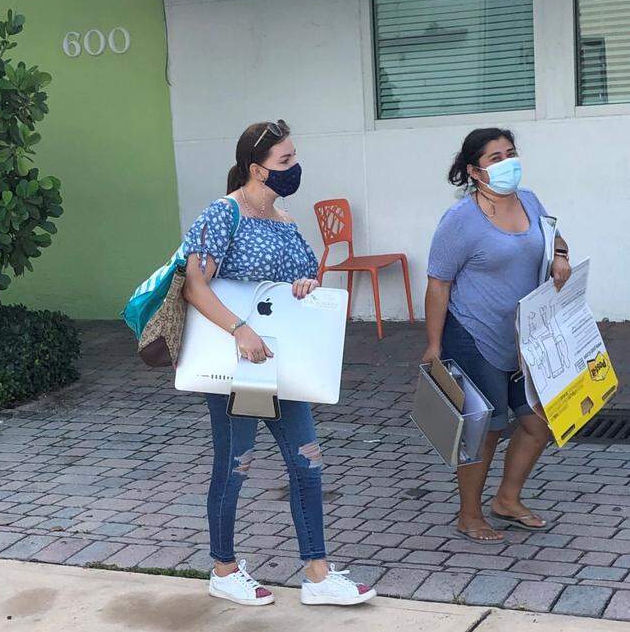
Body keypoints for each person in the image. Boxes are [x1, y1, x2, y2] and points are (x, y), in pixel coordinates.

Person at [182, 120, 376, 607]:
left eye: (293, 157)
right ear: (256, 169)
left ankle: (318, 575)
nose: (294, 167)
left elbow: (303, 276)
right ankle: (223, 569)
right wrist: (238, 329)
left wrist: (305, 287)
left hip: (280, 361)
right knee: (236, 463)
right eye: (284, 161)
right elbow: (194, 285)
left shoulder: (285, 221)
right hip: (241, 365)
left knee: (307, 462)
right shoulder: (224, 215)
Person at [422, 128, 571, 544]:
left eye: (510, 153)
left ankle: (506, 500)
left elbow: (553, 235)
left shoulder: (530, 200)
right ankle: (468, 514)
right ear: (474, 171)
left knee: (539, 423)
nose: (506, 163)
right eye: (494, 158)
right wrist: (434, 346)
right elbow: (438, 284)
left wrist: (560, 256)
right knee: (484, 430)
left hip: (527, 338)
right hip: (474, 335)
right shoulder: (460, 221)